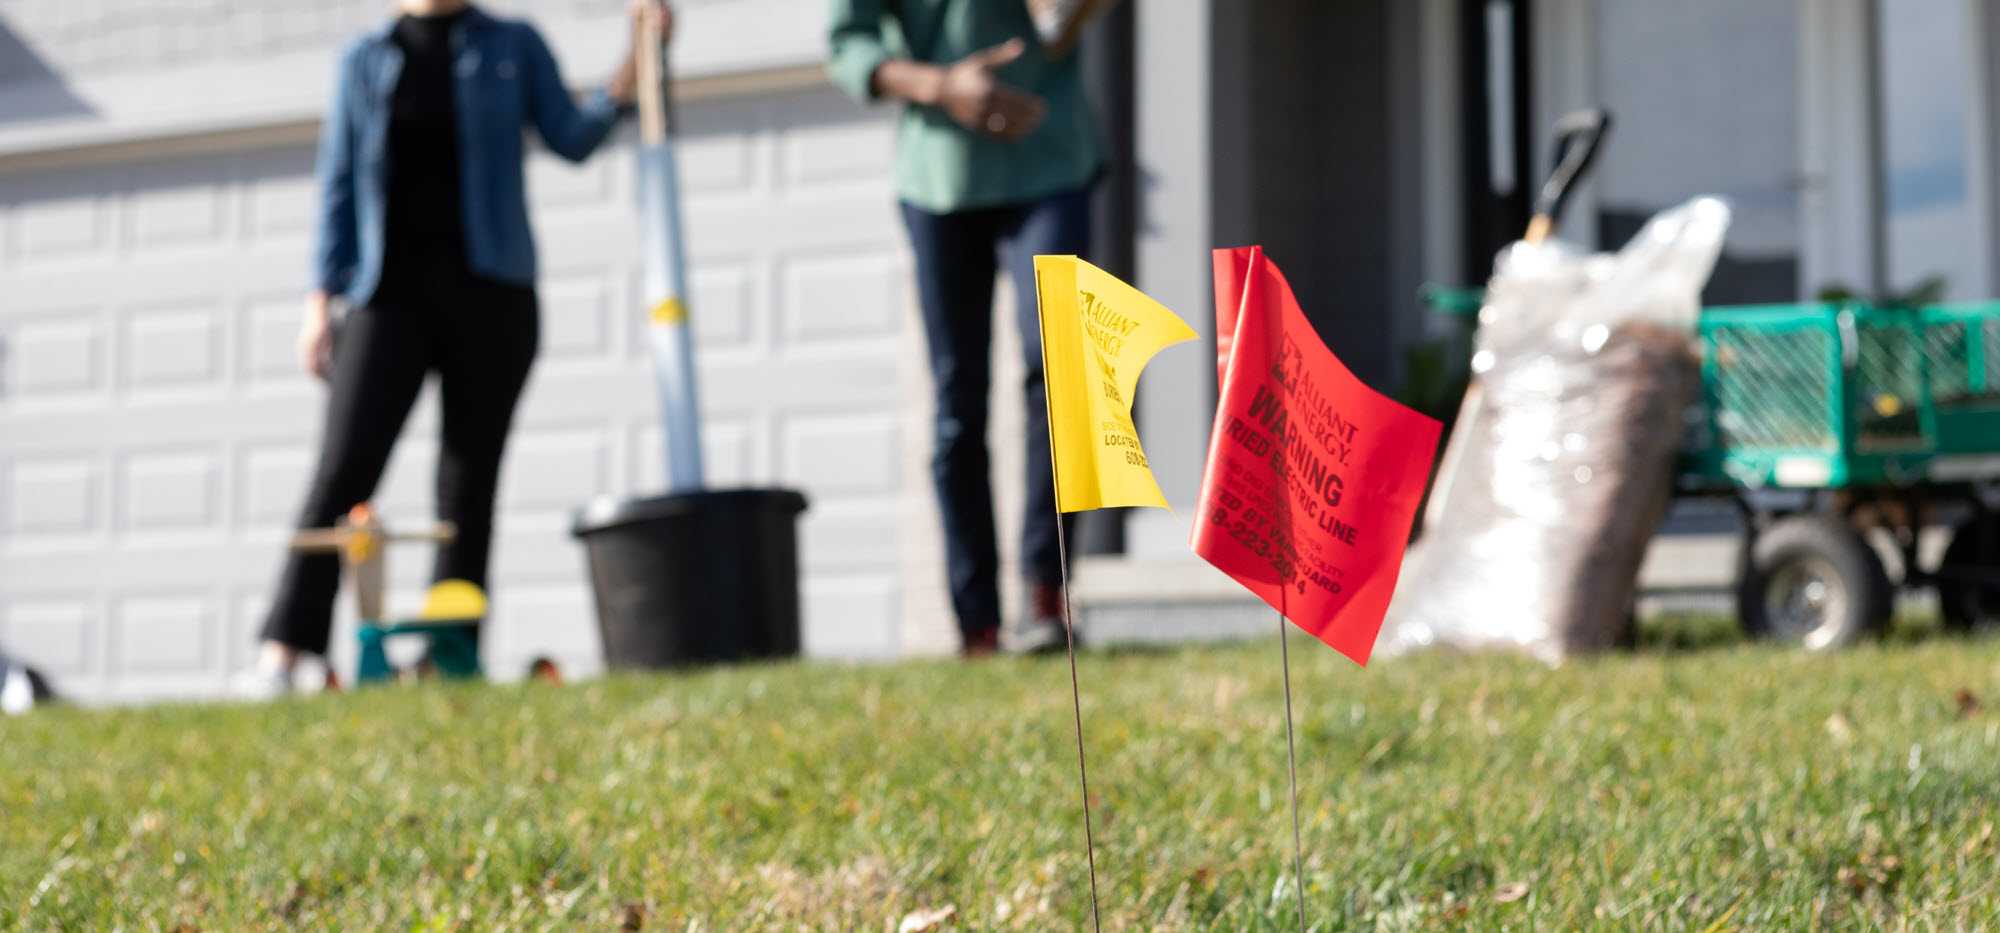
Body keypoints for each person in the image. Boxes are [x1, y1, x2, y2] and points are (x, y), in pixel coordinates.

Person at [238, 0, 669, 697]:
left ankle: (449, 655)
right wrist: (319, 303)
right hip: (387, 298)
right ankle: (283, 652)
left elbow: (575, 135)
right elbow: (338, 188)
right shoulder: (363, 60)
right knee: (344, 468)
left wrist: (636, 55)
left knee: (468, 482)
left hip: (491, 295)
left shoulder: (513, 44)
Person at [827, 1, 1106, 656]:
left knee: (1065, 371)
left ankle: (1047, 587)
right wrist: (941, 85)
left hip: (1051, 160)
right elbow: (848, 45)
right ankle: (975, 618)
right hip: (940, 177)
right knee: (959, 397)